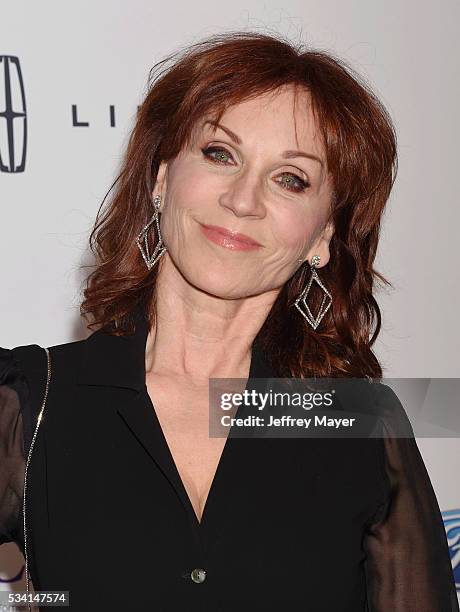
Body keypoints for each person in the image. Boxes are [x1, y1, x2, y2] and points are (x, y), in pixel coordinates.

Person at [0, 31, 458, 612]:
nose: (244, 200)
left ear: (323, 235)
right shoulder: (29, 403)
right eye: (221, 154)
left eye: (291, 178)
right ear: (162, 178)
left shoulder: (359, 424)